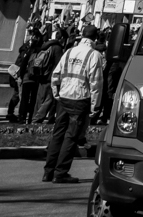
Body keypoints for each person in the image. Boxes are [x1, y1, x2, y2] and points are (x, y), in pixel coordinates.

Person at [43, 22, 104, 184]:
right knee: (71, 137)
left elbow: (56, 74)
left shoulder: (69, 51)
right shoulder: (94, 55)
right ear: (95, 39)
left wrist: (57, 93)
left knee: (58, 133)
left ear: (82, 36)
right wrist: (95, 107)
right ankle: (60, 172)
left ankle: (48, 172)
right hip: (80, 99)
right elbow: (96, 84)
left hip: (64, 97)